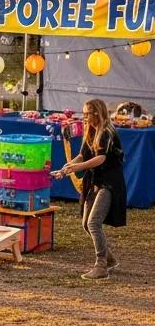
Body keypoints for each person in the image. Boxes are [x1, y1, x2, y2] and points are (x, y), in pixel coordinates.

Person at [52, 98, 126, 281]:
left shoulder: (107, 133)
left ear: (97, 113)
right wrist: (66, 168)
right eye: (83, 113)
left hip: (109, 183)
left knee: (94, 223)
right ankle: (109, 259)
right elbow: (82, 155)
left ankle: (101, 266)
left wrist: (79, 167)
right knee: (86, 224)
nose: (84, 117)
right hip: (94, 181)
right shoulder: (90, 131)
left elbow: (100, 158)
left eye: (87, 114)